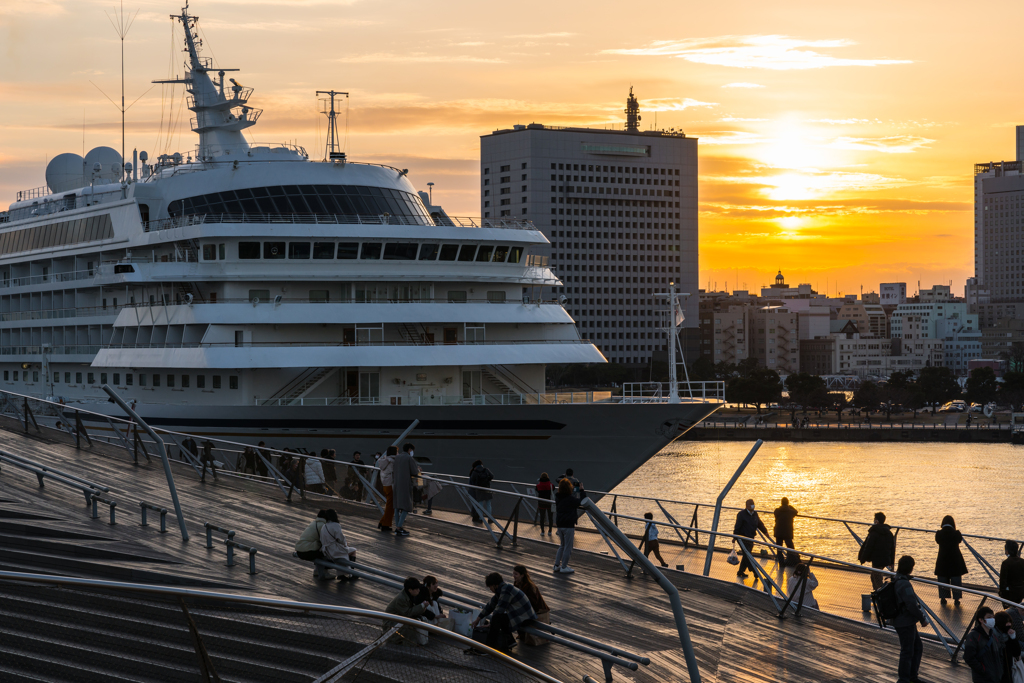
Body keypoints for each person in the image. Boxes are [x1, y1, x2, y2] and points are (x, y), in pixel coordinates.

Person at [471, 572, 537, 655]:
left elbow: (499, 610)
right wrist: (478, 619)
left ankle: (489, 648)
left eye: (490, 587)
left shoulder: (506, 590)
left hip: (525, 618)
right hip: (518, 615)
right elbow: (490, 605)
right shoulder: (502, 589)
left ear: (494, 585)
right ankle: (509, 641)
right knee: (499, 617)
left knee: (497, 618)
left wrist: (491, 624)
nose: (490, 589)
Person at [891, 555, 927, 683]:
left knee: (916, 647)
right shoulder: (904, 584)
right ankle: (904, 679)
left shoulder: (896, 579)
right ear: (911, 568)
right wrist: (922, 618)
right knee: (908, 651)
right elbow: (911, 605)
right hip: (905, 622)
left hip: (903, 621)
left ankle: (911, 677)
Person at [965, 605, 1006, 683]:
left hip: (996, 677)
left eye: (993, 617)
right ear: (981, 620)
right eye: (989, 617)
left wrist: (1000, 669)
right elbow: (968, 657)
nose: (992, 619)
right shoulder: (973, 636)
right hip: (982, 678)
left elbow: (1000, 653)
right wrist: (983, 670)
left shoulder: (994, 635)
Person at [934, 515, 968, 606]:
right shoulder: (957, 533)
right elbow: (959, 541)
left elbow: (937, 541)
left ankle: (943, 598)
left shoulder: (939, 533)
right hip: (955, 559)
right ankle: (956, 599)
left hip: (942, 559)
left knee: (942, 579)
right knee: (956, 580)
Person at [513, 564, 551, 646]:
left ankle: (522, 634)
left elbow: (533, 603)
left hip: (537, 610)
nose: (514, 576)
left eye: (516, 574)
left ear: (522, 575)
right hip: (525, 608)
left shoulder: (530, 586)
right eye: (513, 573)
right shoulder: (516, 584)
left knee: (516, 616)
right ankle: (522, 634)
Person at [384, 577, 429, 645]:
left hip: (397, 620)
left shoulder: (409, 595)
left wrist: (423, 607)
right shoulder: (401, 599)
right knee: (409, 625)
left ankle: (410, 641)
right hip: (390, 624)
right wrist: (422, 606)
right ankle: (400, 640)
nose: (419, 590)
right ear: (410, 590)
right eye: (416, 589)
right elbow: (407, 613)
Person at [858, 512, 896, 590]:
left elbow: (868, 547)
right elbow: (892, 548)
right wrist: (891, 561)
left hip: (877, 559)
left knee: (877, 579)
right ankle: (877, 593)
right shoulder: (889, 533)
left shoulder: (874, 533)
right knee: (874, 576)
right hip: (886, 558)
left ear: (876, 521)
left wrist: (863, 558)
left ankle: (881, 595)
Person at [732, 499, 768, 579]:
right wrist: (735, 536)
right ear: (747, 506)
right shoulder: (741, 514)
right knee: (748, 555)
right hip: (742, 538)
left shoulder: (755, 514)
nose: (753, 505)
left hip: (751, 538)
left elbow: (759, 523)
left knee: (746, 555)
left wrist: (765, 532)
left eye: (753, 504)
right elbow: (737, 526)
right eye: (751, 504)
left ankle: (741, 571)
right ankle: (755, 571)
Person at [319, 509, 357, 580]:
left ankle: (341, 574)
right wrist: (345, 544)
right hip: (335, 551)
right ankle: (351, 573)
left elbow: (322, 539)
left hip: (326, 551)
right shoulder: (336, 525)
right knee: (353, 551)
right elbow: (341, 539)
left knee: (341, 555)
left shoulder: (324, 526)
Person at [393, 443, 421, 536]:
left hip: (396, 484)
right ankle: (399, 527)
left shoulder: (397, 457)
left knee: (397, 506)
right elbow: (414, 471)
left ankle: (397, 526)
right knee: (406, 506)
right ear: (409, 449)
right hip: (405, 484)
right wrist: (418, 470)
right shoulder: (409, 458)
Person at [554, 478, 581, 574]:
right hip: (568, 525)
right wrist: (581, 489)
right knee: (568, 547)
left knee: (562, 545)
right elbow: (580, 501)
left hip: (560, 524)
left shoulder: (558, 497)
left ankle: (556, 565)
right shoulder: (570, 499)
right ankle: (564, 567)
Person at [294, 510, 329, 579]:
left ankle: (317, 571)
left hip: (300, 550)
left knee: (319, 549)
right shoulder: (322, 525)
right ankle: (324, 573)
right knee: (325, 553)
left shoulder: (313, 523)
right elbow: (326, 541)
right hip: (307, 552)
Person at [996, 611, 1022, 682]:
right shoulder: (994, 636)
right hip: (996, 670)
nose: (1009, 624)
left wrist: (1013, 638)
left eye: (1010, 622)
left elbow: (1016, 653)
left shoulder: (1009, 637)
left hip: (1008, 669)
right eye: (1006, 622)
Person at [773, 497, 799, 565]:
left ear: (781, 503)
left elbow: (775, 513)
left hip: (779, 532)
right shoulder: (790, 511)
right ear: (788, 503)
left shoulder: (777, 511)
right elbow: (796, 511)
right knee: (790, 547)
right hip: (787, 532)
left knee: (779, 548)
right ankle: (792, 561)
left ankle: (781, 563)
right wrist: (790, 507)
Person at [377, 447, 396, 532]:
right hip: (391, 485)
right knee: (390, 506)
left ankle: (382, 522)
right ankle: (385, 525)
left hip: (385, 484)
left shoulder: (384, 460)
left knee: (389, 505)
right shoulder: (393, 461)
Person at [1000, 540, 1024, 605]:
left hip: (1010, 593)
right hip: (1021, 592)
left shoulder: (1005, 563)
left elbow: (1002, 581)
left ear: (1007, 551)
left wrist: (1001, 592)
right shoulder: (1022, 562)